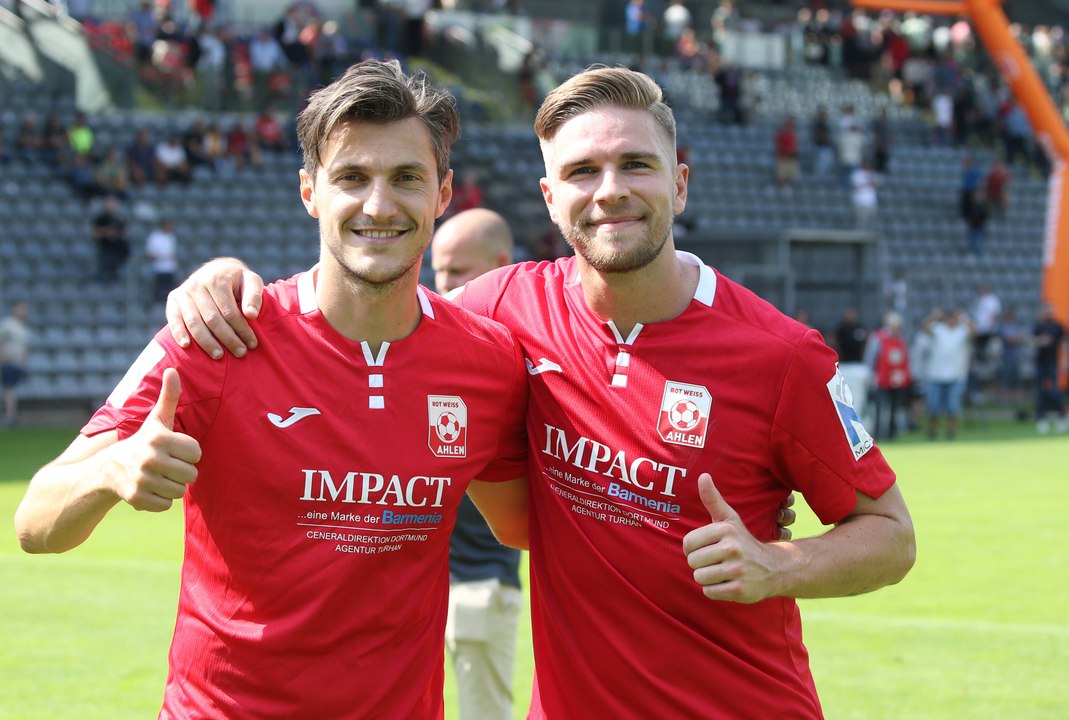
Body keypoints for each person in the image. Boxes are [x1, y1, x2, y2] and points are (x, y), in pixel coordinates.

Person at [164, 66, 915, 718]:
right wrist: (221, 281)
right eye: (583, 171)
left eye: (636, 165)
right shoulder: (502, 312)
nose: (610, 191)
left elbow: (891, 533)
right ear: (551, 198)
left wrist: (780, 565)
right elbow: (373, 299)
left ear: (679, 184)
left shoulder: (781, 356)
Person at [15, 60, 531, 718]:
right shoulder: (219, 334)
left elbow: (524, 525)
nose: (378, 205)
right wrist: (109, 471)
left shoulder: (486, 363)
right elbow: (34, 523)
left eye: (406, 177)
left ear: (443, 193)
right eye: (351, 177)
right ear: (310, 191)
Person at [431, 208, 521, 720]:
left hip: (481, 586)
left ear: (499, 264)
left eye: (458, 271)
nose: (445, 285)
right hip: (414, 593)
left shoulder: (524, 361)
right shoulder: (427, 344)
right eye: (439, 271)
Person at [921, 307, 973, 440]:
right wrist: (934, 316)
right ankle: (932, 429)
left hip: (956, 374)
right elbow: (925, 327)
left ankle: (951, 431)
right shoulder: (939, 329)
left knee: (953, 406)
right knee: (933, 405)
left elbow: (974, 332)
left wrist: (965, 318)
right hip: (936, 374)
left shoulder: (962, 331)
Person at [864, 311, 912, 440]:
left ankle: (892, 433)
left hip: (897, 379)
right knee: (879, 407)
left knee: (895, 407)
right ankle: (878, 433)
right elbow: (870, 358)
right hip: (881, 378)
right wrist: (871, 375)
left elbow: (905, 358)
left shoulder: (901, 339)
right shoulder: (878, 338)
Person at [1032, 302, 1068, 434]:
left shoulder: (1058, 326)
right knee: (1040, 392)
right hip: (1040, 363)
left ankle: (1061, 416)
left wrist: (1065, 360)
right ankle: (1041, 419)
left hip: (1053, 362)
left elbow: (1064, 343)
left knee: (1055, 391)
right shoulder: (1039, 326)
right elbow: (1032, 342)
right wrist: (1041, 341)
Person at [0, 301, 31, 427]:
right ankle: (9, 415)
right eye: (21, 309)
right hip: (8, 362)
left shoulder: (23, 327)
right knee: (9, 389)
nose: (24, 312)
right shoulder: (8, 325)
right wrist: (3, 356)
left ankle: (11, 414)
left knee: (11, 390)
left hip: (18, 363)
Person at [92, 195, 130, 283]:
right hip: (105, 249)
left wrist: (117, 234)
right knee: (104, 272)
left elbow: (123, 234)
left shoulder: (118, 220)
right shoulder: (100, 219)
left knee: (115, 274)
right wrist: (106, 232)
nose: (111, 206)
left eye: (113, 204)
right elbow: (95, 233)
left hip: (117, 250)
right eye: (109, 204)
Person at [146, 218, 179, 303]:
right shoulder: (154, 237)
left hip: (170, 268)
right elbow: (150, 255)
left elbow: (173, 254)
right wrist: (163, 257)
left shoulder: (171, 237)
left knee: (170, 291)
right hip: (159, 269)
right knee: (159, 291)